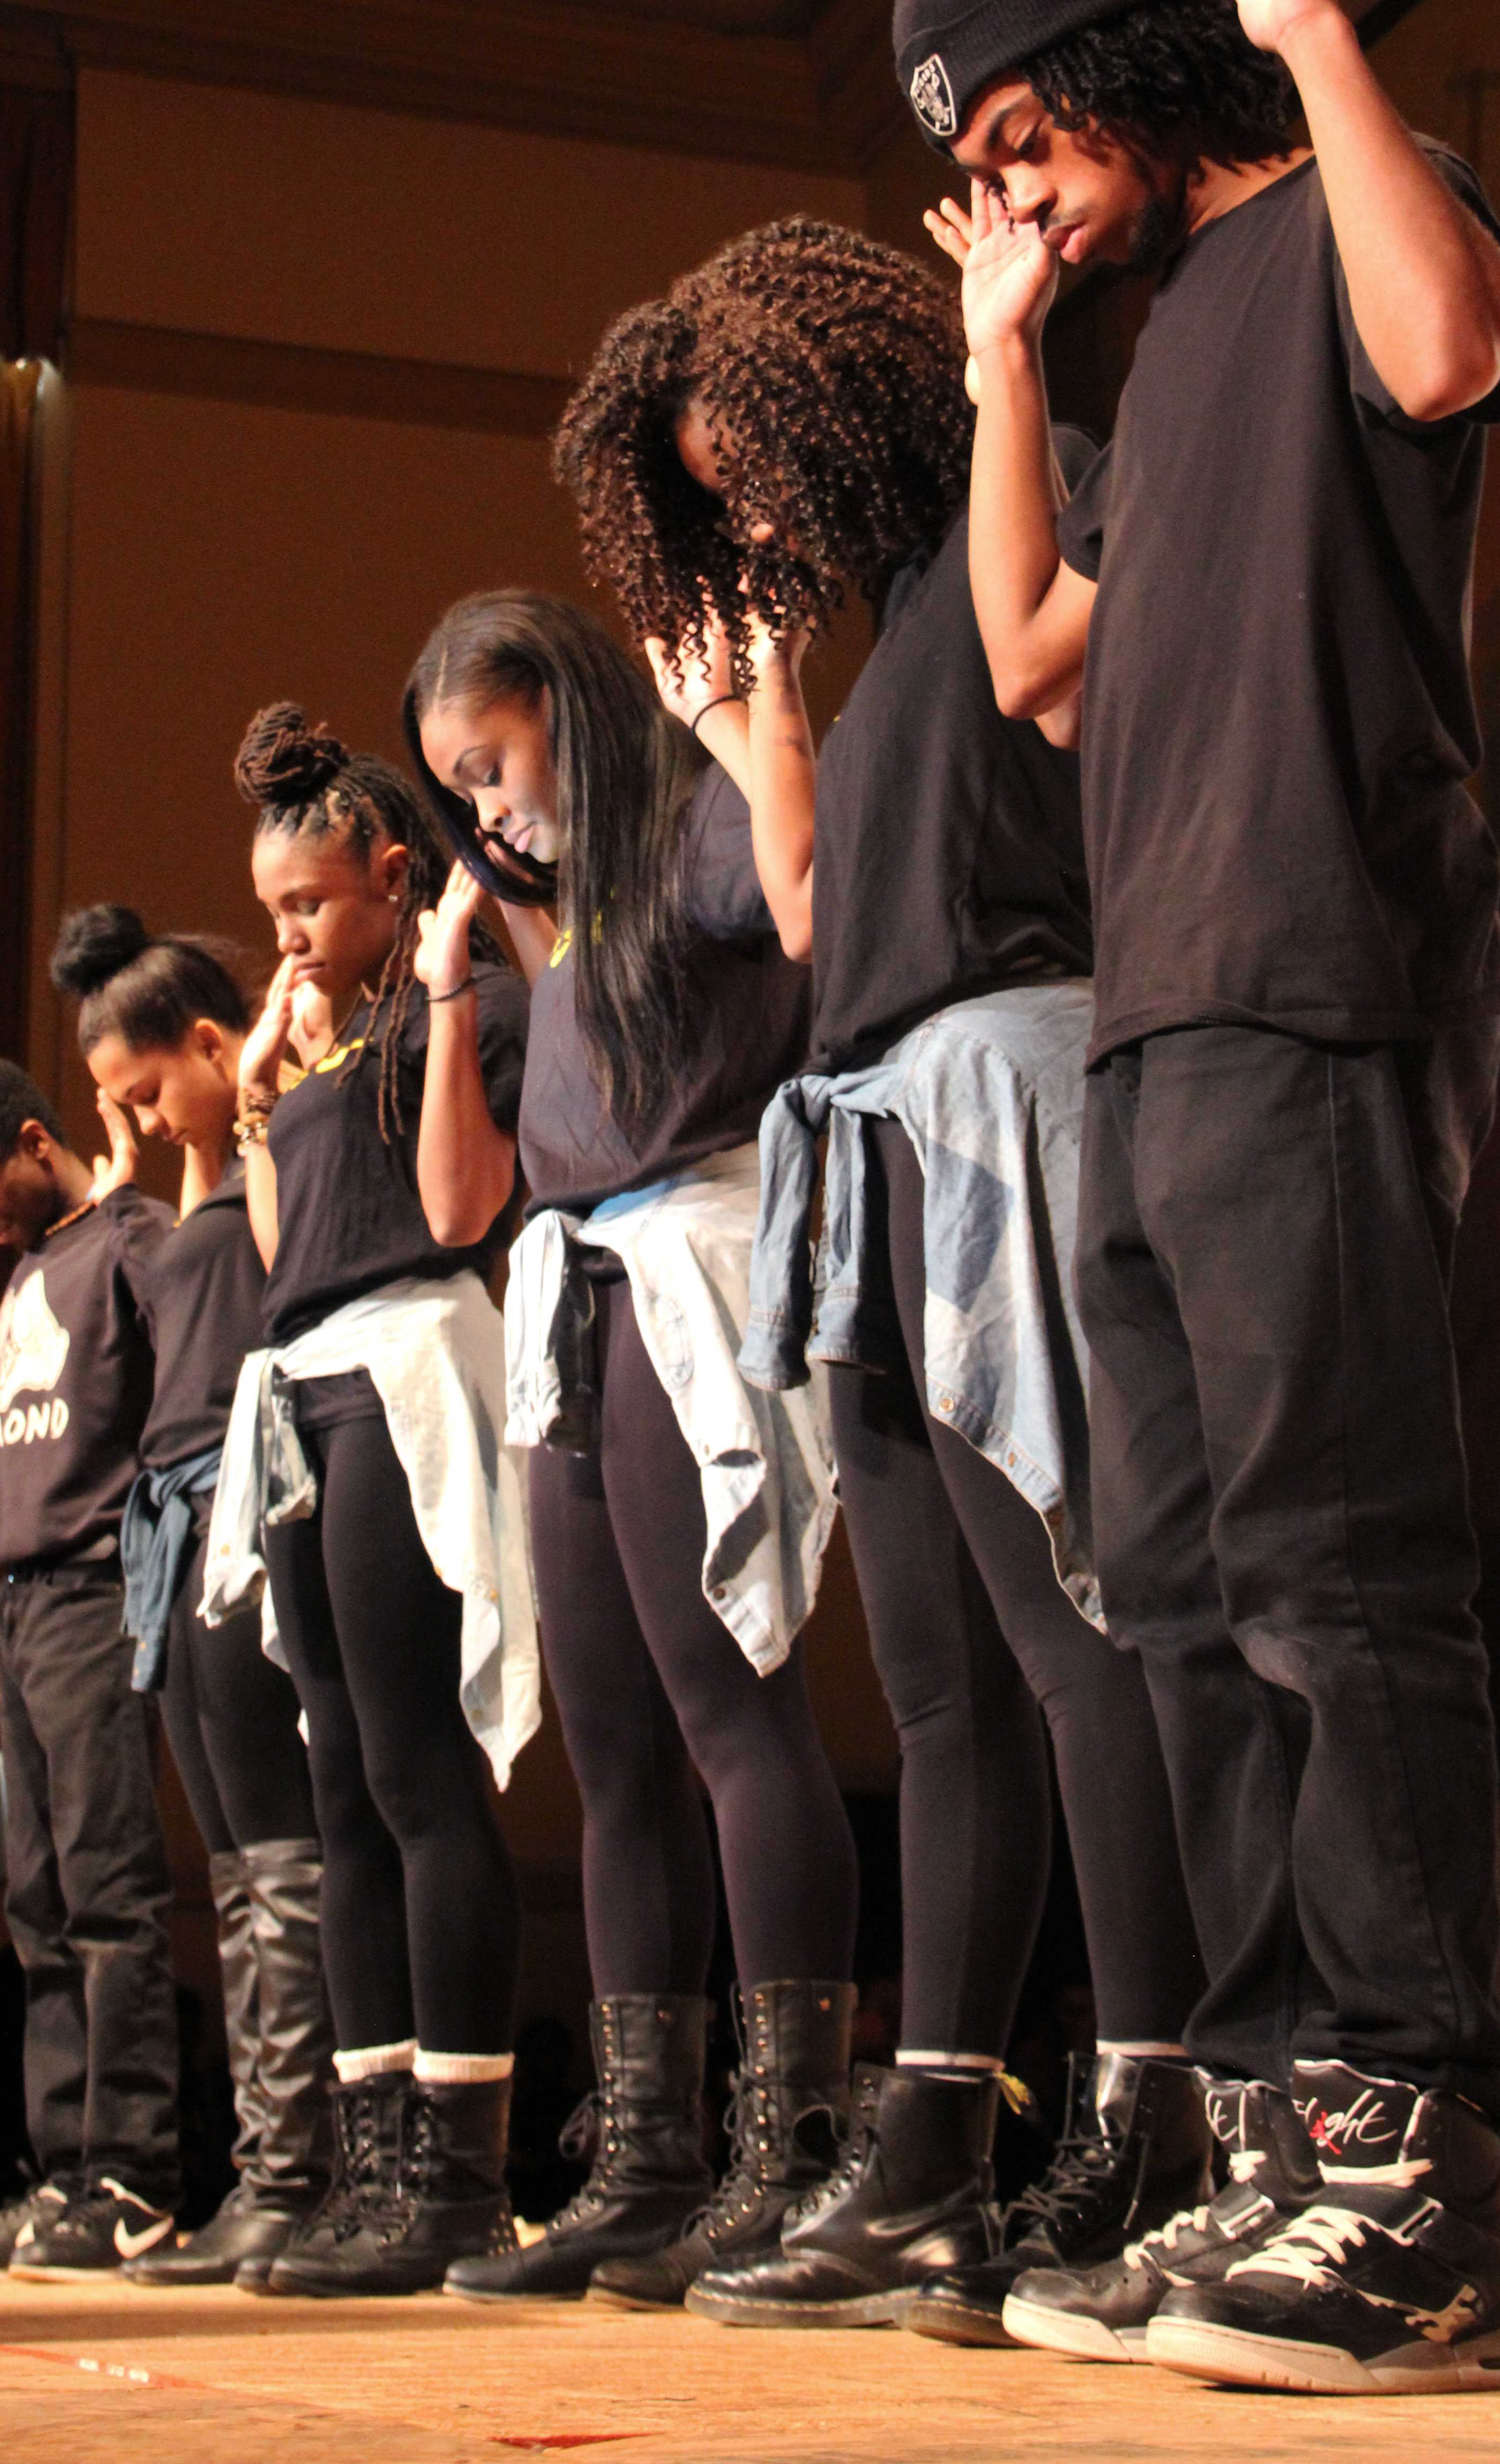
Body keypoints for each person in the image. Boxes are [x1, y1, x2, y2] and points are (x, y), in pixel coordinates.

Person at [896, 0, 1500, 2394]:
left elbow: (1446, 347)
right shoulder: (1154, 348)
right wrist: (992, 368)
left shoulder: (1346, 231)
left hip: (1312, 983)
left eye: (1016, 143)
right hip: (1148, 1027)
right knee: (1175, 1610)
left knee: (1328, 1575)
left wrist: (1313, 41)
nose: (1012, 198)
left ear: (1119, 60)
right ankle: (1287, 2140)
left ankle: (1425, 2174)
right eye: (973, 175)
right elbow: (1035, 657)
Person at [551, 217, 1208, 2340]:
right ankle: (932, 2133)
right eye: (713, 489)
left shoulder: (1052, 491)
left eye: (749, 458)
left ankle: (1159, 2103)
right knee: (933, 1687)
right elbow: (840, 926)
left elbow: (1104, 770)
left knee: (1074, 1634)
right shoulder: (894, 620)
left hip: (1015, 1093)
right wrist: (767, 738)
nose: (744, 509)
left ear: (843, 394)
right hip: (868, 1129)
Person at [409, 589, 859, 2309]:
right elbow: (487, 1184)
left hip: (696, 1266)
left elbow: (814, 916)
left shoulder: (699, 837)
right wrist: (466, 964)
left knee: (727, 1702)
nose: (488, 808)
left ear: (572, 711)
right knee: (611, 1743)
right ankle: (650, 2159)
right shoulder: (571, 926)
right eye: (460, 789)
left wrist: (766, 705)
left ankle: (787, 2150)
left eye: (496, 763)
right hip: (578, 1295)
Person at [207, 705, 536, 2299]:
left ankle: (462, 2179)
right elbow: (284, 1262)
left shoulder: (441, 1008)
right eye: (274, 912)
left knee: (416, 1774)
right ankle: (377, 2166)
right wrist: (266, 1092)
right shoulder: (324, 1043)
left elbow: (456, 1210)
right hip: (305, 1377)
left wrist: (437, 993)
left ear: (394, 878)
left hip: (410, 1362)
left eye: (311, 906)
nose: (289, 936)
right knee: (337, 1792)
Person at [49, 904, 334, 2287]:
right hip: (167, 1518)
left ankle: (299, 2176)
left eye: (148, 1090)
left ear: (213, 1044)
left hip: (248, 1497)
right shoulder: (178, 1209)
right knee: (228, 1863)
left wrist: (263, 1114)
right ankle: (265, 2173)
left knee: (280, 1850)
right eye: (119, 1105)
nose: (142, 1123)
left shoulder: (278, 1161)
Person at [0, 1057, 182, 2277]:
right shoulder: (21, 1277)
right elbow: (36, 1416)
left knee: (108, 1892)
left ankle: (133, 2179)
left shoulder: (128, 1238)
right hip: (17, 1600)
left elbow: (163, 1398)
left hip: (91, 1587)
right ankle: (65, 2175)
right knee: (37, 1906)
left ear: (32, 1140)